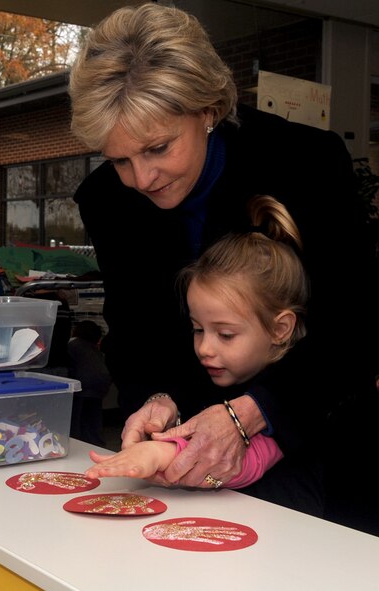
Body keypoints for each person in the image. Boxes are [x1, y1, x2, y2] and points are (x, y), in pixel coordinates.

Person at [69, 3, 378, 523]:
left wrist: (249, 415)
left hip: (320, 442)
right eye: (119, 159)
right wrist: (155, 398)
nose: (141, 179)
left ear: (208, 109)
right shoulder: (107, 199)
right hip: (190, 464)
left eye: (158, 148)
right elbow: (133, 329)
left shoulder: (304, 163)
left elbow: (354, 324)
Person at [85, 195, 306, 486]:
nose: (204, 348)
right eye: (197, 329)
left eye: (225, 334)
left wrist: (162, 454)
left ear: (280, 329)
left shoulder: (293, 396)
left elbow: (250, 460)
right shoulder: (209, 377)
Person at [68, 320, 112, 447]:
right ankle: (97, 442)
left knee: (78, 418)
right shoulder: (93, 348)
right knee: (94, 418)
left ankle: (77, 444)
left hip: (83, 384)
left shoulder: (73, 344)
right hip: (101, 384)